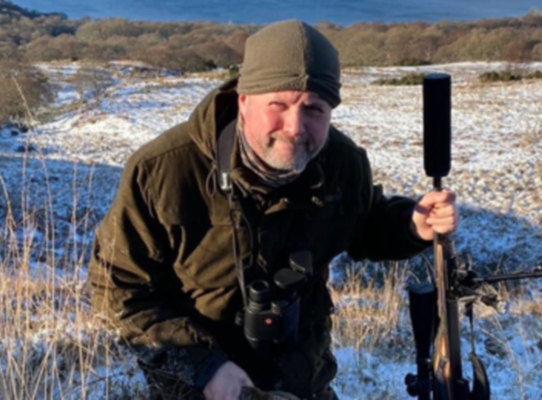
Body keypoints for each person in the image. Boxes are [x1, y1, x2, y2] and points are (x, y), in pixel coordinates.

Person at [87, 19, 458, 400]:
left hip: (304, 383)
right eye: (278, 104)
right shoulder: (162, 170)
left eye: (314, 108)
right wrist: (202, 365)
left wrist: (413, 226)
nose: (295, 126)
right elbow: (117, 289)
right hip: (196, 388)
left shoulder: (343, 164)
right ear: (243, 101)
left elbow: (364, 226)